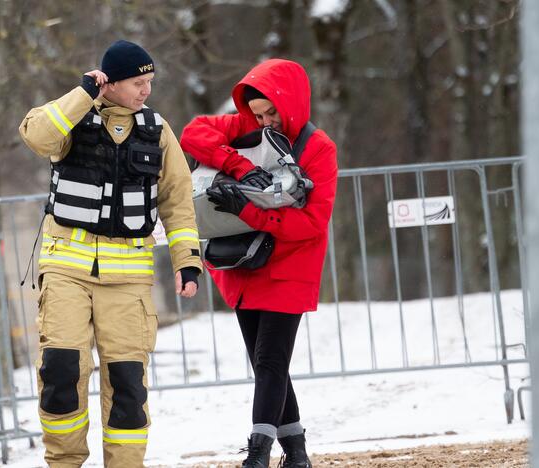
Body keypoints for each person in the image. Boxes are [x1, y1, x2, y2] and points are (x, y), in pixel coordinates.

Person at [19, 40, 203, 468]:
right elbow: (35, 134)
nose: (145, 91)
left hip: (129, 282)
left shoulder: (157, 130)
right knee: (61, 374)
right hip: (66, 271)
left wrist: (188, 261)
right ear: (111, 83)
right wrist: (82, 93)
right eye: (138, 82)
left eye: (150, 82)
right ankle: (64, 462)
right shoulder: (71, 118)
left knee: (127, 390)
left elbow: (178, 201)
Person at [180, 58, 338, 468]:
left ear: (294, 103)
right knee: (267, 363)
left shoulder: (319, 148)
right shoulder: (247, 126)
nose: (267, 121)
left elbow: (312, 221)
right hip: (247, 259)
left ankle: (257, 456)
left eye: (273, 112)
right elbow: (194, 132)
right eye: (258, 113)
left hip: (291, 262)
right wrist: (240, 167)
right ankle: (298, 453)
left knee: (269, 361)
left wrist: (249, 211)